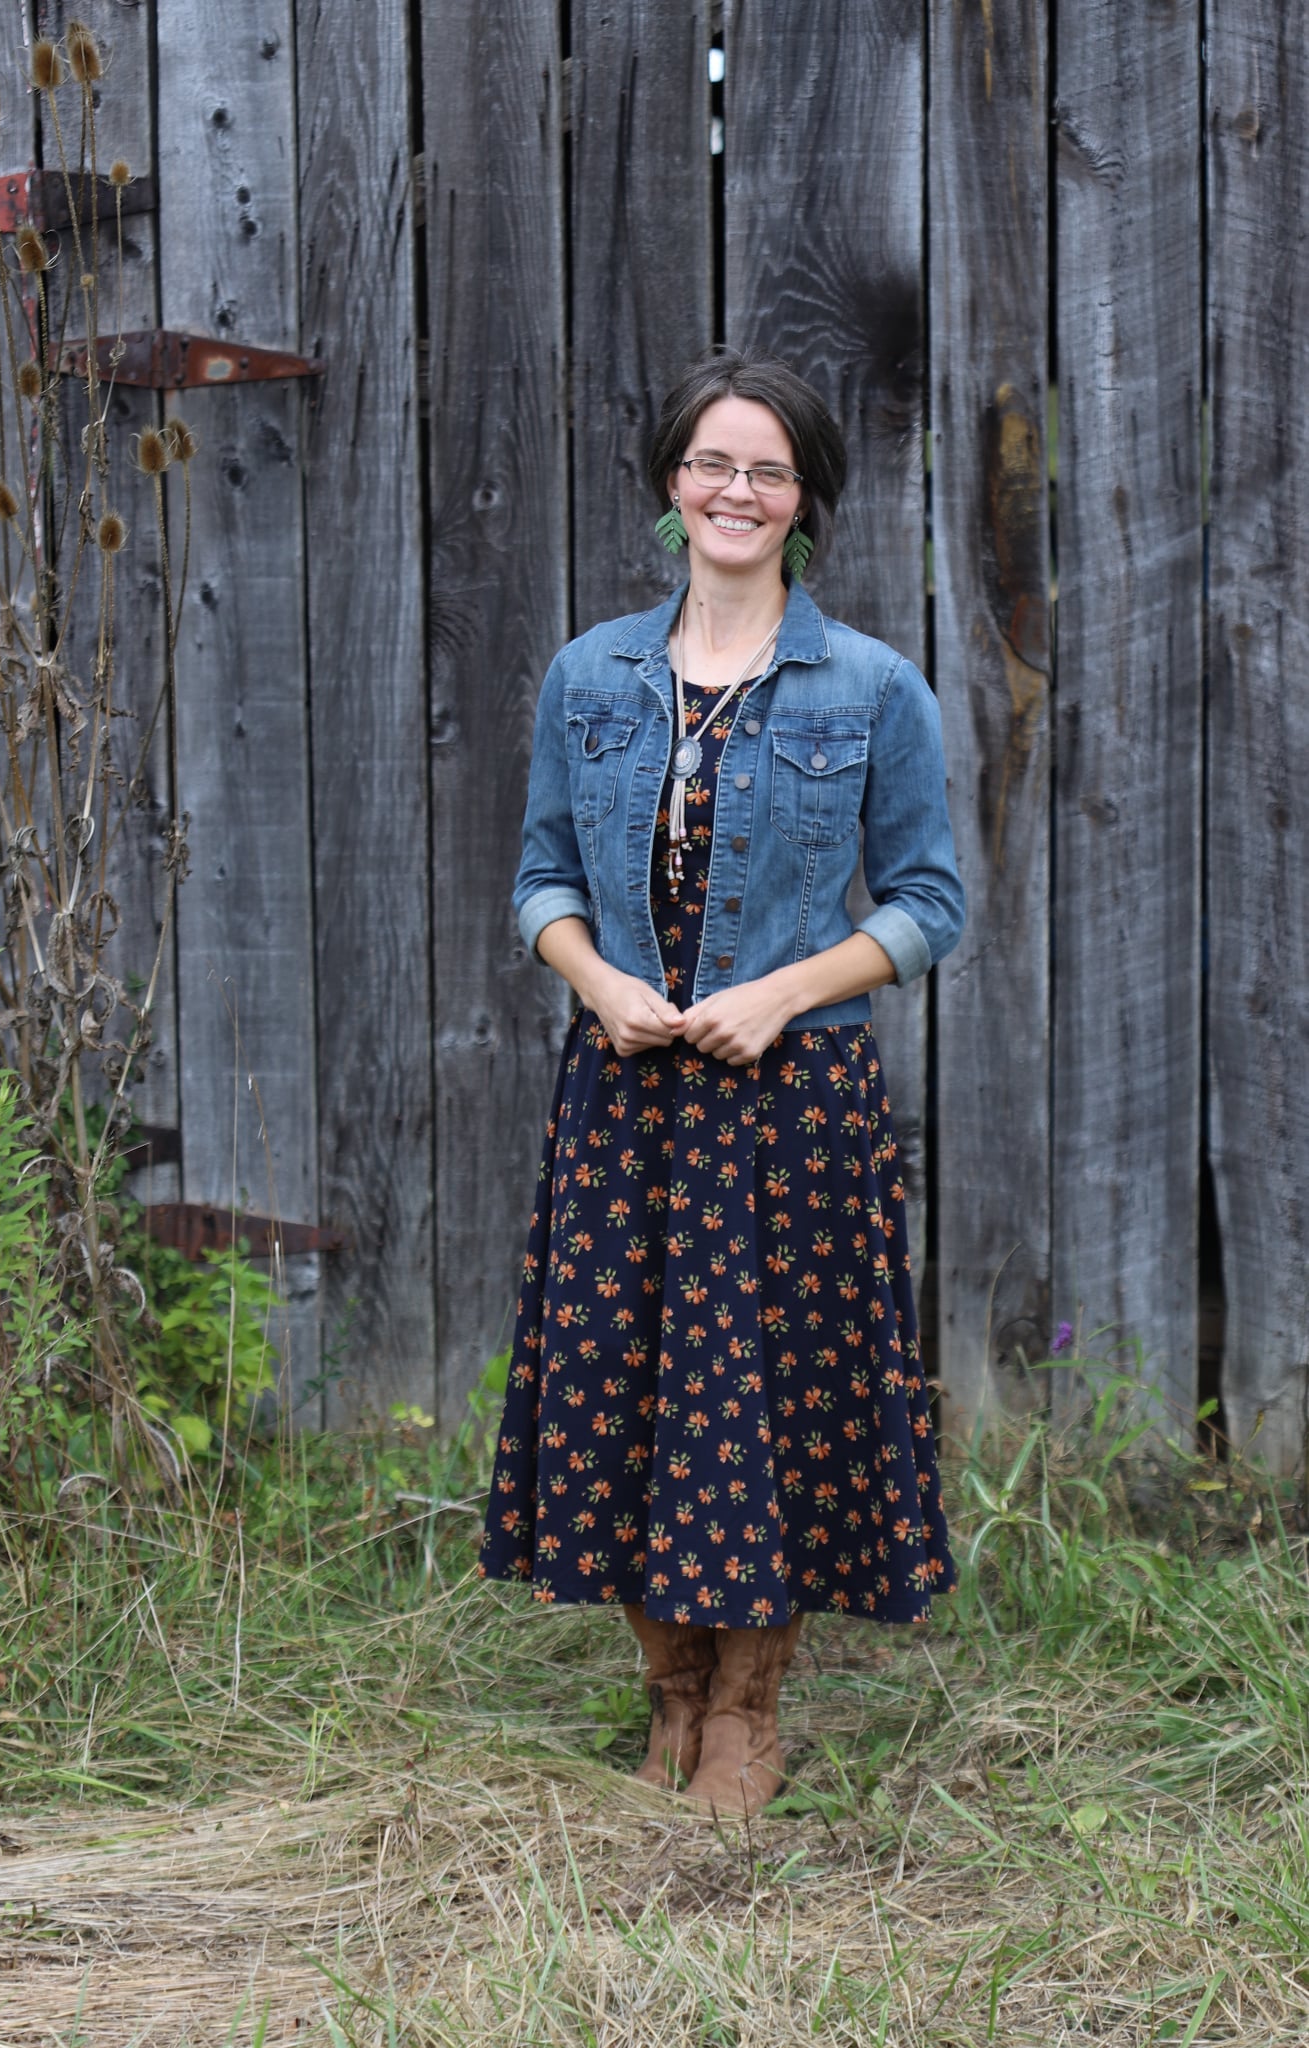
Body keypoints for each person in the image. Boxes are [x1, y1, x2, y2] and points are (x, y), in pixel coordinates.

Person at [479, 348, 964, 1818]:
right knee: (620, 1394)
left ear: (804, 496)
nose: (734, 490)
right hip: (623, 1102)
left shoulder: (871, 688)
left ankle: (747, 1715)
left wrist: (777, 994)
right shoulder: (591, 673)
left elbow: (927, 904)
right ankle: (669, 1699)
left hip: (792, 1107)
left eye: (765, 468)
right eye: (711, 463)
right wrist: (597, 980)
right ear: (670, 483)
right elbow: (542, 877)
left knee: (773, 1406)